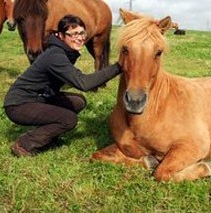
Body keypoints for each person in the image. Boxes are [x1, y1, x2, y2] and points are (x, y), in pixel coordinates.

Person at [4, 14, 122, 157]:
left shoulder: (64, 51)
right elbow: (84, 83)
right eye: (72, 34)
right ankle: (25, 144)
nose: (79, 38)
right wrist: (118, 66)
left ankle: (47, 136)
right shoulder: (55, 55)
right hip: (19, 104)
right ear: (60, 35)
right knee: (68, 119)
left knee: (77, 102)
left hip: (39, 97)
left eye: (81, 33)